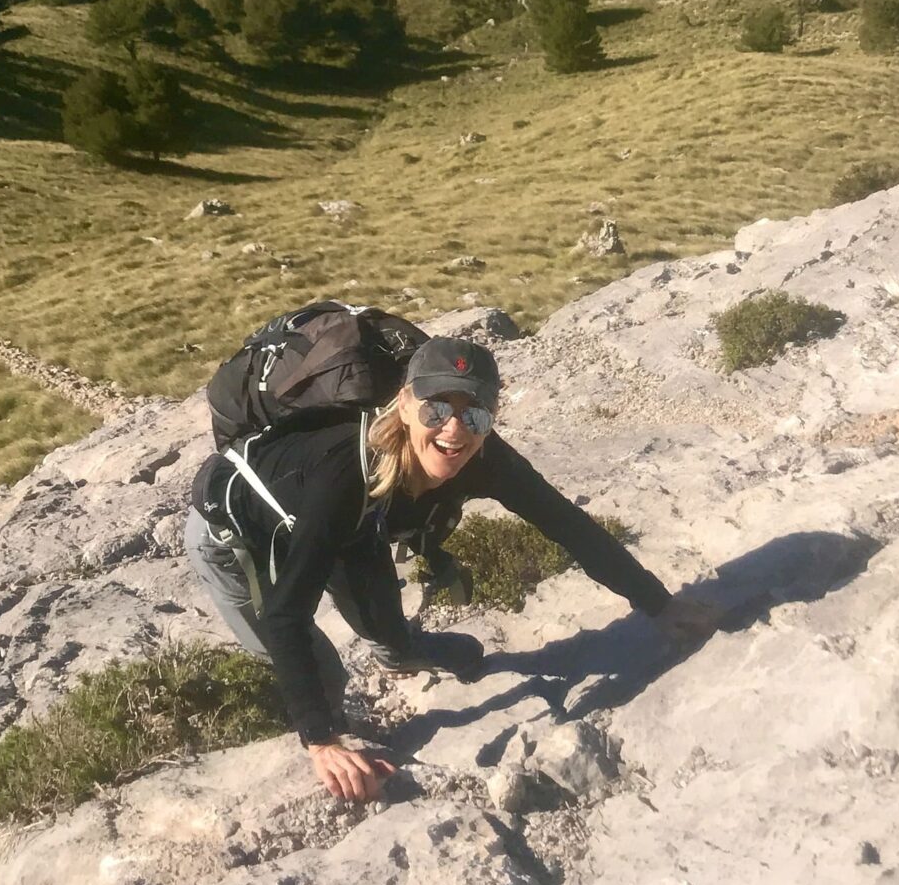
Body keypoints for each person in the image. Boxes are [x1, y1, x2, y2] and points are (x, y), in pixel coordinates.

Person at [185, 333, 709, 800]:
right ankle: (340, 728)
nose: (455, 430)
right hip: (237, 537)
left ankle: (403, 649)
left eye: (474, 413)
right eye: (436, 409)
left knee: (390, 634)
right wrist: (321, 741)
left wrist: (658, 603)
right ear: (404, 405)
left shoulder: (483, 457)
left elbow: (568, 526)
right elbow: (285, 615)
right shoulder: (344, 476)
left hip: (352, 521)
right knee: (323, 673)